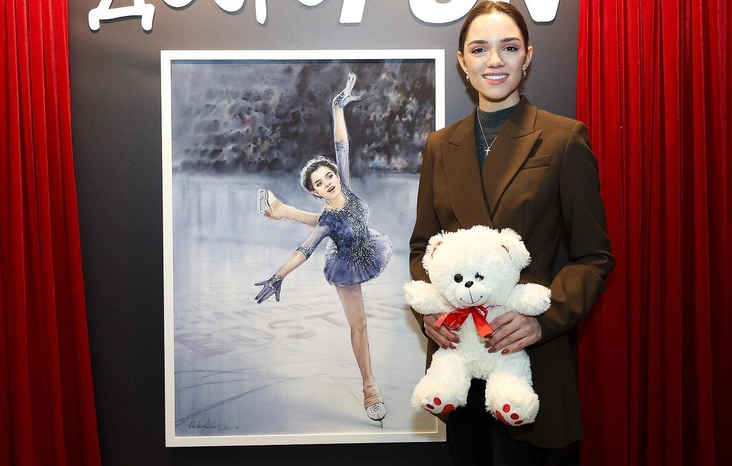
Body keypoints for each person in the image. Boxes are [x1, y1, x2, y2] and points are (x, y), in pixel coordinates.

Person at [409, 1, 615, 464]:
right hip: (460, 358)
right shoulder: (440, 145)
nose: (494, 61)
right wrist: (430, 310)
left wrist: (541, 319)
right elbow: (423, 247)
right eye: (479, 49)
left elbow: (594, 256)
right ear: (462, 61)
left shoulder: (563, 138)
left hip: (531, 357)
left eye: (509, 47)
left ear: (528, 56)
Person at [254, 73, 392, 425]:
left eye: (328, 176)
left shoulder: (344, 183)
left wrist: (337, 108)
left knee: (331, 220)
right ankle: (370, 387)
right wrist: (277, 276)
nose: (328, 182)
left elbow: (341, 145)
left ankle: (282, 211)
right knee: (359, 326)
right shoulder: (326, 218)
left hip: (368, 246)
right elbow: (304, 250)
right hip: (346, 264)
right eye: (319, 183)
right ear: (315, 192)